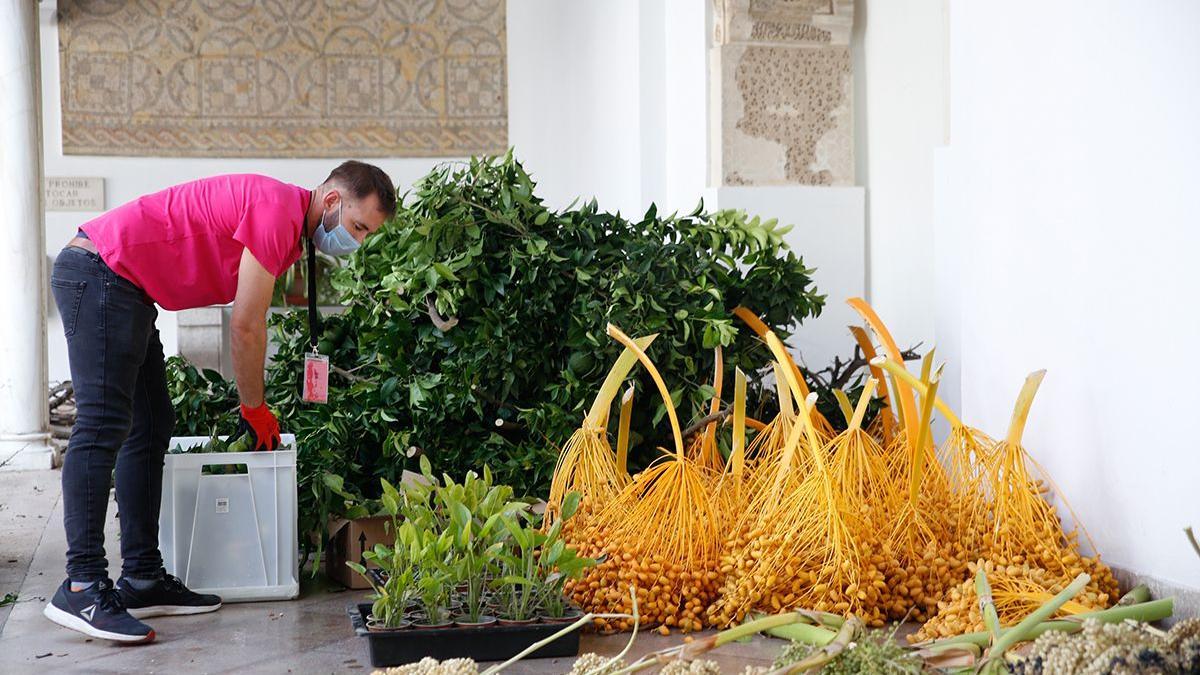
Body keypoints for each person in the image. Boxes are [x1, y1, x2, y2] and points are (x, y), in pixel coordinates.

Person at [44, 162, 397, 643]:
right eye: (358, 227)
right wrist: (254, 407)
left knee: (150, 427)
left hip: (126, 286)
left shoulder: (290, 224)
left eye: (366, 235)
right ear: (332, 201)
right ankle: (82, 583)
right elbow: (246, 324)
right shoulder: (278, 213)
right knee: (103, 424)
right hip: (101, 272)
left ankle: (143, 577)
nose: (356, 241)